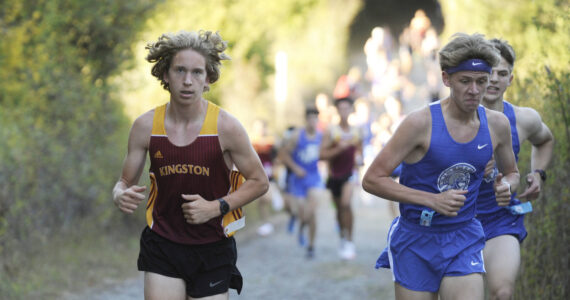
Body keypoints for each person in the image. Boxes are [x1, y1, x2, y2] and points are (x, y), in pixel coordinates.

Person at [111, 30, 269, 300]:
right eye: (179, 70)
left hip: (213, 248)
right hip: (163, 243)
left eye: (197, 73)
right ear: (165, 74)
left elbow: (259, 182)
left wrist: (215, 207)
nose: (187, 81)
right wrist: (119, 194)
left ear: (208, 79)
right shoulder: (145, 126)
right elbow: (124, 182)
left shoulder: (226, 127)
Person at [362, 33, 520, 300]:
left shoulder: (496, 125)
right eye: (465, 81)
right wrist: (431, 200)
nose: (474, 90)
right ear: (446, 79)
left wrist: (506, 184)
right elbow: (373, 178)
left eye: (481, 81)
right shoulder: (419, 124)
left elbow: (513, 173)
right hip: (415, 239)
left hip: (464, 237)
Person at [477, 38, 554, 300]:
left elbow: (545, 140)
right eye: (488, 72)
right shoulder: (448, 120)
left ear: (511, 79)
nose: (494, 79)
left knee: (503, 293)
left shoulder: (524, 119)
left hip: (500, 220)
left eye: (502, 73)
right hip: (456, 221)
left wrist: (537, 173)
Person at [320, 96, 363, 260]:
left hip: (349, 174)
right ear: (337, 110)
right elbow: (322, 154)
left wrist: (359, 162)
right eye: (341, 108)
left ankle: (350, 241)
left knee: (346, 204)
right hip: (333, 176)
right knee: (339, 209)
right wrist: (339, 149)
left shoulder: (357, 131)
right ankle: (343, 238)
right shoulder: (331, 131)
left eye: (347, 108)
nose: (344, 111)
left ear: (351, 110)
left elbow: (360, 152)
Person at [278, 107, 324, 259]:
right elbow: (283, 155)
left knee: (313, 212)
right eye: (310, 118)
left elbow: (325, 153)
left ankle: (311, 246)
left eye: (315, 118)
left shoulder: (321, 136)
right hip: (298, 180)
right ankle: (301, 226)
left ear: (318, 120)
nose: (313, 122)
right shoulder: (297, 136)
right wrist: (296, 168)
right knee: (303, 213)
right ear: (306, 120)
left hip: (314, 177)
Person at [250, 119, 282, 236]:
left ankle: (276, 195)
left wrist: (276, 169)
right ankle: (266, 223)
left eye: (261, 127)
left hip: (269, 173)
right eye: (256, 127)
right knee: (262, 201)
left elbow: (277, 157)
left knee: (266, 198)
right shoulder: (251, 142)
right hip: (257, 174)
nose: (259, 130)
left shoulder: (271, 142)